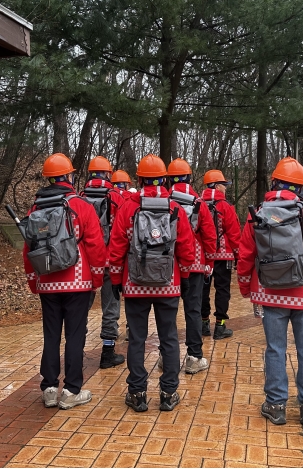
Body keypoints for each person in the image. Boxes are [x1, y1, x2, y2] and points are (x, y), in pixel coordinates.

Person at [237, 156, 303, 426]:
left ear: (274, 182)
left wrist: (245, 286)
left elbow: (246, 254)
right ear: (301, 187)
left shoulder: (258, 212)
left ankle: (275, 405)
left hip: (269, 292)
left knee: (275, 349)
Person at [108, 154, 197, 412]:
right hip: (168, 283)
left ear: (139, 179)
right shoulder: (175, 208)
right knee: (168, 338)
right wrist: (187, 276)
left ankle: (137, 393)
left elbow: (116, 247)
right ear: (164, 179)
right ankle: (168, 393)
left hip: (135, 284)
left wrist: (116, 279)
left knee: (136, 338)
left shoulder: (128, 207)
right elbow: (186, 247)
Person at [22, 153, 107, 409]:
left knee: (51, 335)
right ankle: (71, 391)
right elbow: (94, 244)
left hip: (47, 280)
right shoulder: (81, 205)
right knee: (75, 335)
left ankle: (49, 388)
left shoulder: (36, 208)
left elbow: (28, 249)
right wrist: (97, 277)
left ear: (48, 178)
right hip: (78, 282)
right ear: (69, 176)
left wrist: (33, 281)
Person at [167, 158, 217, 373]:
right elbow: (209, 235)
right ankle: (194, 356)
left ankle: (165, 356)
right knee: (193, 310)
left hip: (168, 263)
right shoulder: (199, 202)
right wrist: (209, 262)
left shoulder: (165, 201)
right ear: (190, 176)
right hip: (195, 264)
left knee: (167, 312)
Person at [81, 156, 126, 369]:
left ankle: (76, 349)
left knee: (81, 309)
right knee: (111, 306)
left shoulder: (79, 197)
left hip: (87, 263)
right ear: (109, 174)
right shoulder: (116, 197)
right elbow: (122, 232)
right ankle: (107, 352)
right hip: (110, 262)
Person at [200, 170, 242, 339]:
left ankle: (203, 324)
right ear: (217, 186)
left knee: (203, 289)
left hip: (203, 256)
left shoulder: (198, 204)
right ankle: (220, 326)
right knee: (222, 290)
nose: (225, 189)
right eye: (224, 185)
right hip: (223, 256)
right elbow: (234, 233)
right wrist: (239, 255)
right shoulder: (225, 207)